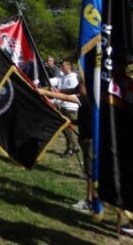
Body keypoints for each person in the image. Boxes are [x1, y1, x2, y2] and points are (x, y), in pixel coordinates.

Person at [38, 82, 93, 212]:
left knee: (90, 173)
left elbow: (67, 97)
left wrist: (45, 93)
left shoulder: (88, 98)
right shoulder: (89, 98)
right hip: (86, 138)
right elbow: (69, 94)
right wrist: (71, 121)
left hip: (90, 140)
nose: (78, 90)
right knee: (90, 171)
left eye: (81, 87)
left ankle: (90, 201)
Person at [57, 60, 80, 158]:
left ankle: (70, 149)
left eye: (63, 65)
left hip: (70, 107)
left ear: (68, 67)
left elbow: (72, 92)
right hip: (63, 105)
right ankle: (73, 147)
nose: (61, 67)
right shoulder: (63, 77)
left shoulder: (73, 79)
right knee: (64, 129)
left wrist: (60, 95)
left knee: (68, 129)